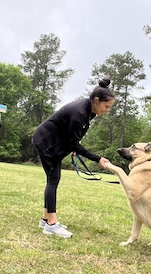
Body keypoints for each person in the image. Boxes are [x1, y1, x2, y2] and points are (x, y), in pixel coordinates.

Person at [32, 77, 115, 238]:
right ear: (97, 101)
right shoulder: (80, 112)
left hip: (53, 142)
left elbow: (74, 138)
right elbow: (73, 143)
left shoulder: (89, 110)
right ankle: (51, 224)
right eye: (106, 106)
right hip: (46, 142)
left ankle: (45, 219)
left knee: (52, 179)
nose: (107, 110)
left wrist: (74, 144)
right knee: (53, 179)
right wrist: (97, 158)